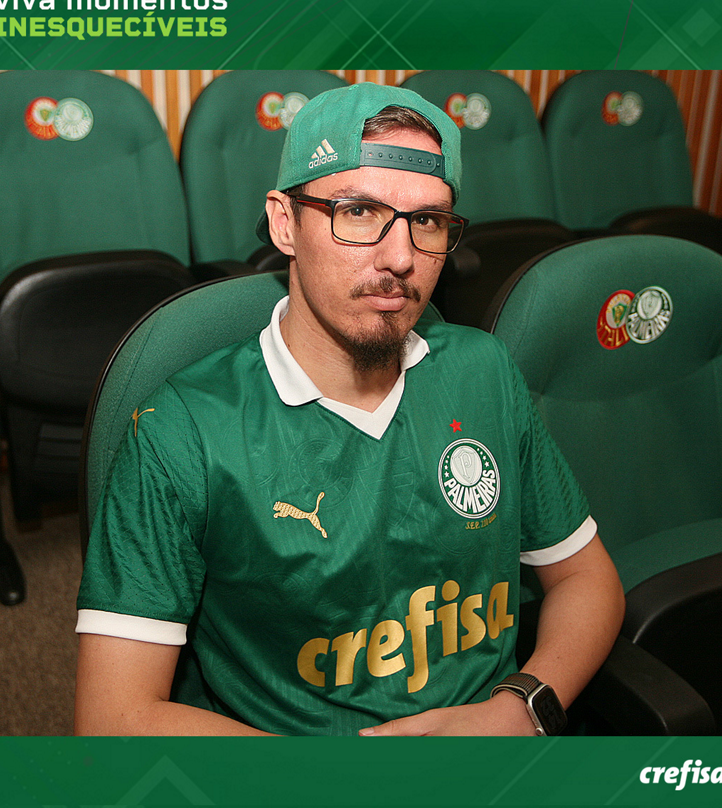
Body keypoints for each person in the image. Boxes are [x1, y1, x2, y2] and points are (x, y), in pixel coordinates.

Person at [75, 82, 625, 736]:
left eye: (428, 221)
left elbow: (587, 579)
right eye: (358, 211)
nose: (401, 258)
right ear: (285, 223)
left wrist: (520, 708)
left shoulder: (486, 371)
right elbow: (113, 717)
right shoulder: (181, 432)